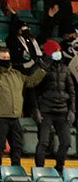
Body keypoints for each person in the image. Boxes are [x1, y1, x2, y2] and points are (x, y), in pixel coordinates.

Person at [0, 46, 45, 173]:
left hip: (14, 117)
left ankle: (16, 170)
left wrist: (42, 69)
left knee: (17, 146)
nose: (6, 60)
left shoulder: (16, 74)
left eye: (8, 58)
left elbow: (31, 81)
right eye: (3, 58)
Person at [33, 40, 73, 174]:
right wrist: (36, 110)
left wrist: (72, 110)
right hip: (46, 110)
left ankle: (59, 169)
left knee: (66, 142)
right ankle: (39, 170)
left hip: (62, 111)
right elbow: (34, 90)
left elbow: (71, 90)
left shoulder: (65, 69)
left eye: (59, 51)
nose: (59, 54)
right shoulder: (41, 69)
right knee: (43, 142)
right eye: (56, 52)